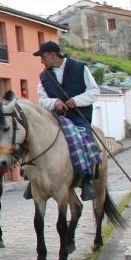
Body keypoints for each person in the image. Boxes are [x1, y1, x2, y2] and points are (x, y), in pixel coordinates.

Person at [33, 40, 100, 201]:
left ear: (52, 54)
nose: (42, 61)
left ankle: (87, 178)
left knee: (85, 140)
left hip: (78, 116)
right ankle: (34, 181)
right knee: (36, 141)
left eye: (43, 57)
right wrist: (54, 102)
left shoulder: (79, 68)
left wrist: (76, 100)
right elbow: (42, 99)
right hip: (55, 118)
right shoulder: (44, 76)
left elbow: (93, 91)